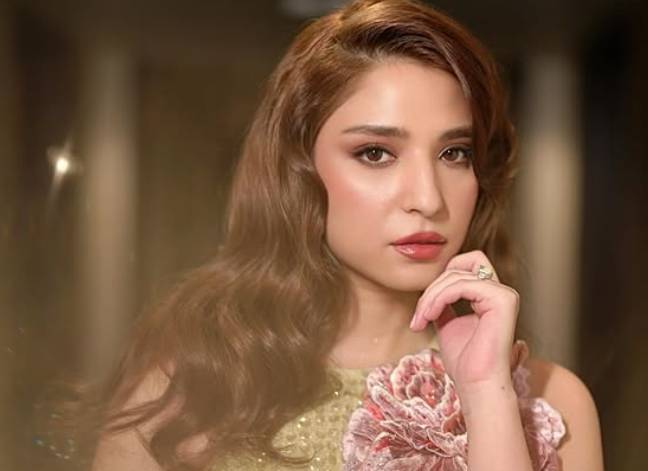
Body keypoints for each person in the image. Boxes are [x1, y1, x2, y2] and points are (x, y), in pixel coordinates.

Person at [87, 0, 604, 469]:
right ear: (298, 170)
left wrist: (487, 395)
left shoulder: (554, 405)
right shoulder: (185, 394)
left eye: (454, 153)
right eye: (375, 153)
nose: (428, 198)